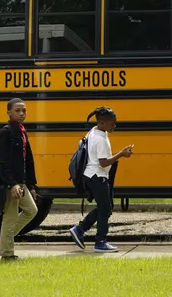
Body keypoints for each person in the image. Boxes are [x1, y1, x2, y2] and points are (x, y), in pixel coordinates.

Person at [69, 107, 133, 253]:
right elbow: (103, 162)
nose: (114, 126)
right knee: (105, 209)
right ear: (103, 122)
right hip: (97, 176)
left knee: (105, 207)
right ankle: (100, 242)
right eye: (112, 123)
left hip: (91, 175)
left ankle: (80, 229)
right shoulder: (100, 139)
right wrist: (121, 154)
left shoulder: (94, 132)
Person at [0, 98, 38, 260]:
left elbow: (28, 160)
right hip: (11, 184)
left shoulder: (22, 130)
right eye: (17, 110)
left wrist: (31, 184)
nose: (21, 113)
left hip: (21, 182)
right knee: (10, 217)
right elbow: (2, 162)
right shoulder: (6, 132)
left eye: (24, 110)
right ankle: (7, 253)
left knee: (32, 211)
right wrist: (11, 184)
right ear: (9, 112)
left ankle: (1, 242)